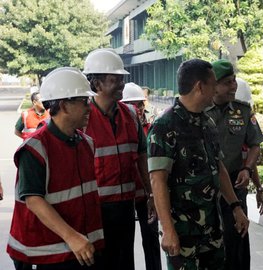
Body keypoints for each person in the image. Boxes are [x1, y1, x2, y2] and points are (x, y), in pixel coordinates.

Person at [147, 59, 250, 270]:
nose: (215, 90)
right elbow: (157, 181)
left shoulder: (207, 123)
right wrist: (167, 230)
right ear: (199, 87)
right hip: (183, 233)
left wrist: (235, 206)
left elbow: (219, 168)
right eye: (213, 84)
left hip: (212, 229)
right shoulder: (164, 126)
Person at [7, 67, 104, 270]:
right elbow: (33, 200)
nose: (90, 107)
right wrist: (72, 236)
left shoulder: (86, 143)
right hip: (43, 253)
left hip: (79, 250)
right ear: (64, 105)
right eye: (84, 101)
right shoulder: (35, 148)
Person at [82, 48, 153, 270]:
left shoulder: (130, 115)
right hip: (95, 209)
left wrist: (151, 194)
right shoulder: (82, 119)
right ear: (96, 84)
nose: (122, 84)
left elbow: (142, 157)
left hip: (125, 207)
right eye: (115, 79)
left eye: (122, 79)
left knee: (124, 262)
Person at [205, 59, 263, 270]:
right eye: (228, 82)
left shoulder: (243, 110)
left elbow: (255, 144)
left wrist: (247, 169)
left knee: (238, 239)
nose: (234, 86)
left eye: (234, 81)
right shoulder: (200, 111)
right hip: (206, 187)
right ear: (214, 85)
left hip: (235, 183)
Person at [120, 82, 162, 270]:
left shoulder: (153, 122)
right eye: (132, 104)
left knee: (151, 237)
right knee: (124, 244)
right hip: (127, 191)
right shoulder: (121, 124)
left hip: (147, 191)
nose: (136, 108)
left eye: (139, 104)